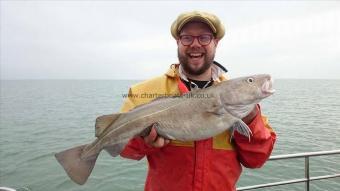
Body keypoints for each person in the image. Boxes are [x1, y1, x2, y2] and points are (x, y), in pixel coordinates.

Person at [119, 10, 276, 191]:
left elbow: (256, 160)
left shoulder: (241, 101)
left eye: (204, 37)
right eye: (187, 38)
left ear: (215, 43)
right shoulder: (142, 92)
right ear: (178, 42)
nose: (195, 44)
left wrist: (251, 118)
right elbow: (125, 150)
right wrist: (145, 142)